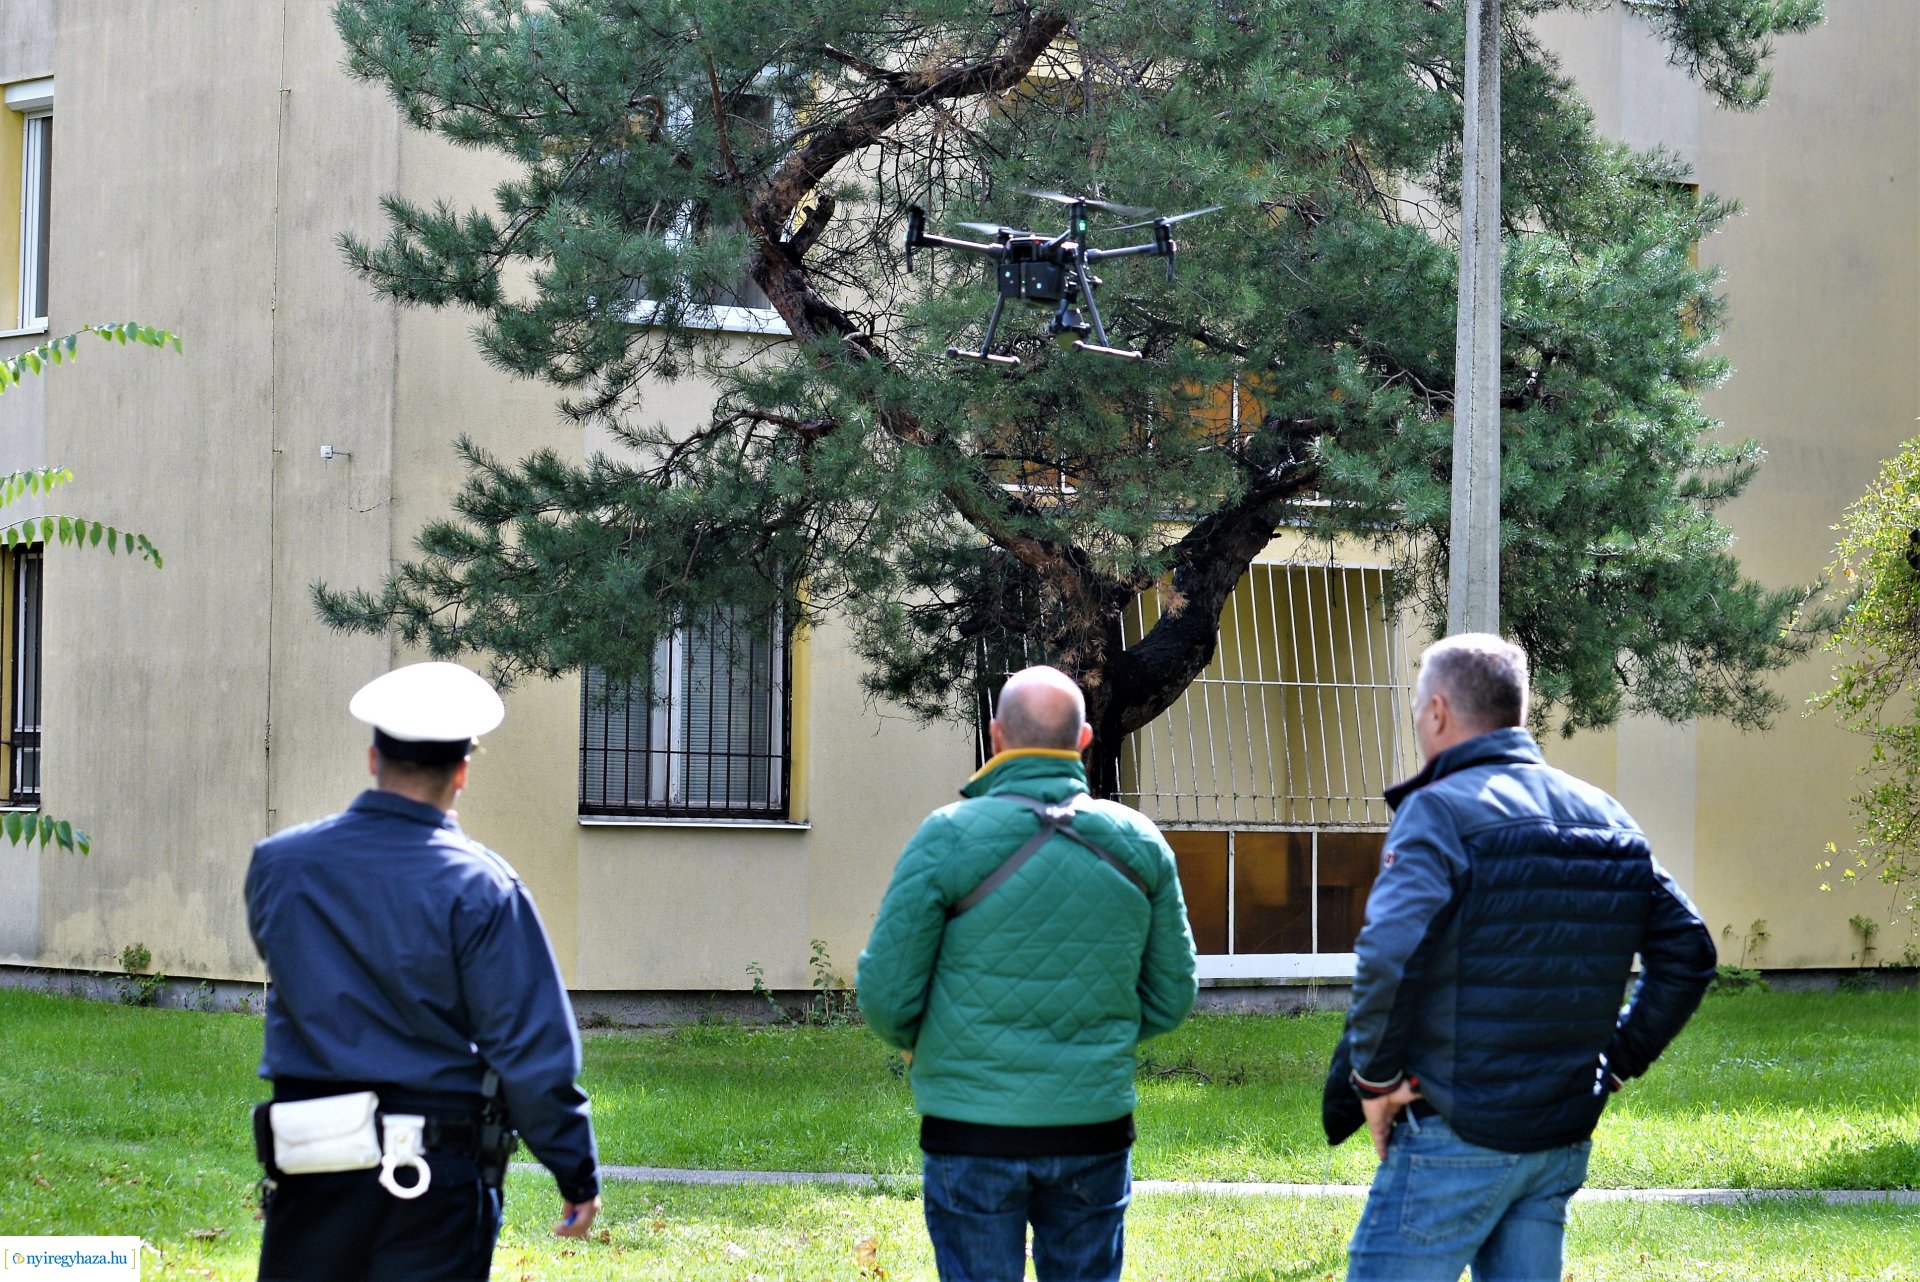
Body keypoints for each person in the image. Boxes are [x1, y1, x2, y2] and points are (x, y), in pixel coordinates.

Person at [1326, 633, 1716, 1282]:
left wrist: (1372, 1080)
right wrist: (1616, 1059)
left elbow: (1389, 955)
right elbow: (1691, 952)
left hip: (1453, 1129)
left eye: (1418, 709)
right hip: (1556, 1137)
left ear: (1439, 712)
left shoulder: (1438, 812)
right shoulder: (1608, 815)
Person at [245, 661, 601, 1282]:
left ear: (371, 759)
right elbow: (532, 1054)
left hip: (311, 1166)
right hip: (434, 1180)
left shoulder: (279, 866)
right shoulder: (481, 887)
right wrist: (575, 1170)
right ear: (462, 772)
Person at [858, 665, 1198, 1282]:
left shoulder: (947, 837)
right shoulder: (1140, 843)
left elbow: (885, 996)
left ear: (995, 738)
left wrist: (927, 1044)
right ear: (1085, 740)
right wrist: (1099, 1035)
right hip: (1093, 1128)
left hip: (971, 1130)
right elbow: (1172, 996)